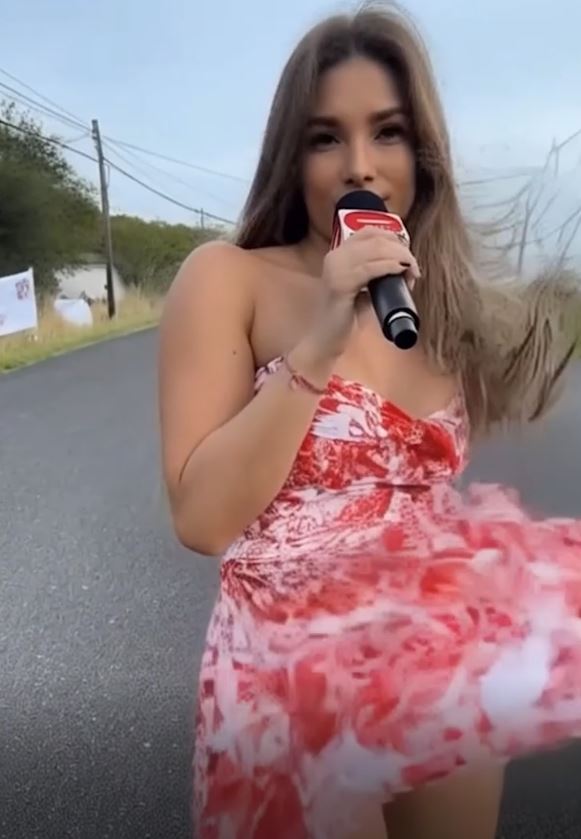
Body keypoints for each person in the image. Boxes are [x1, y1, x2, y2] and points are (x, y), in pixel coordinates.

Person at [157, 3, 581, 838]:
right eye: (325, 138)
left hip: (433, 653)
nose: (359, 165)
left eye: (387, 132)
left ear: (422, 153)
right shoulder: (226, 278)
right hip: (287, 677)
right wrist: (319, 340)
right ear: (292, 155)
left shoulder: (438, 304)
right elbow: (201, 518)